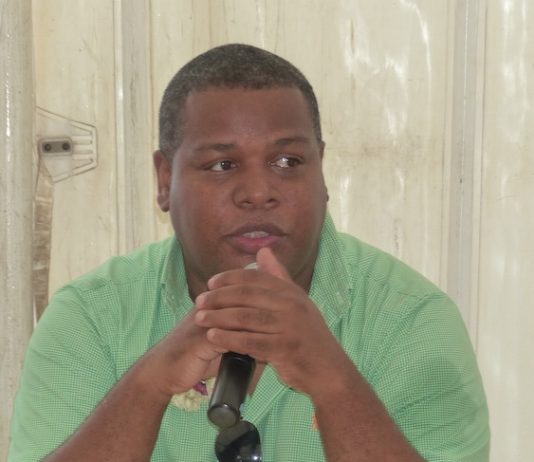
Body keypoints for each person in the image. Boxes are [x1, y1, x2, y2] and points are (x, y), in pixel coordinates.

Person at [8, 43, 490, 462]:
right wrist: (148, 384)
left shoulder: (411, 320)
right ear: (165, 179)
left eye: (288, 161)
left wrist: (336, 384)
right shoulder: (92, 318)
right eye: (222, 164)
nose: (259, 192)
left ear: (321, 171)